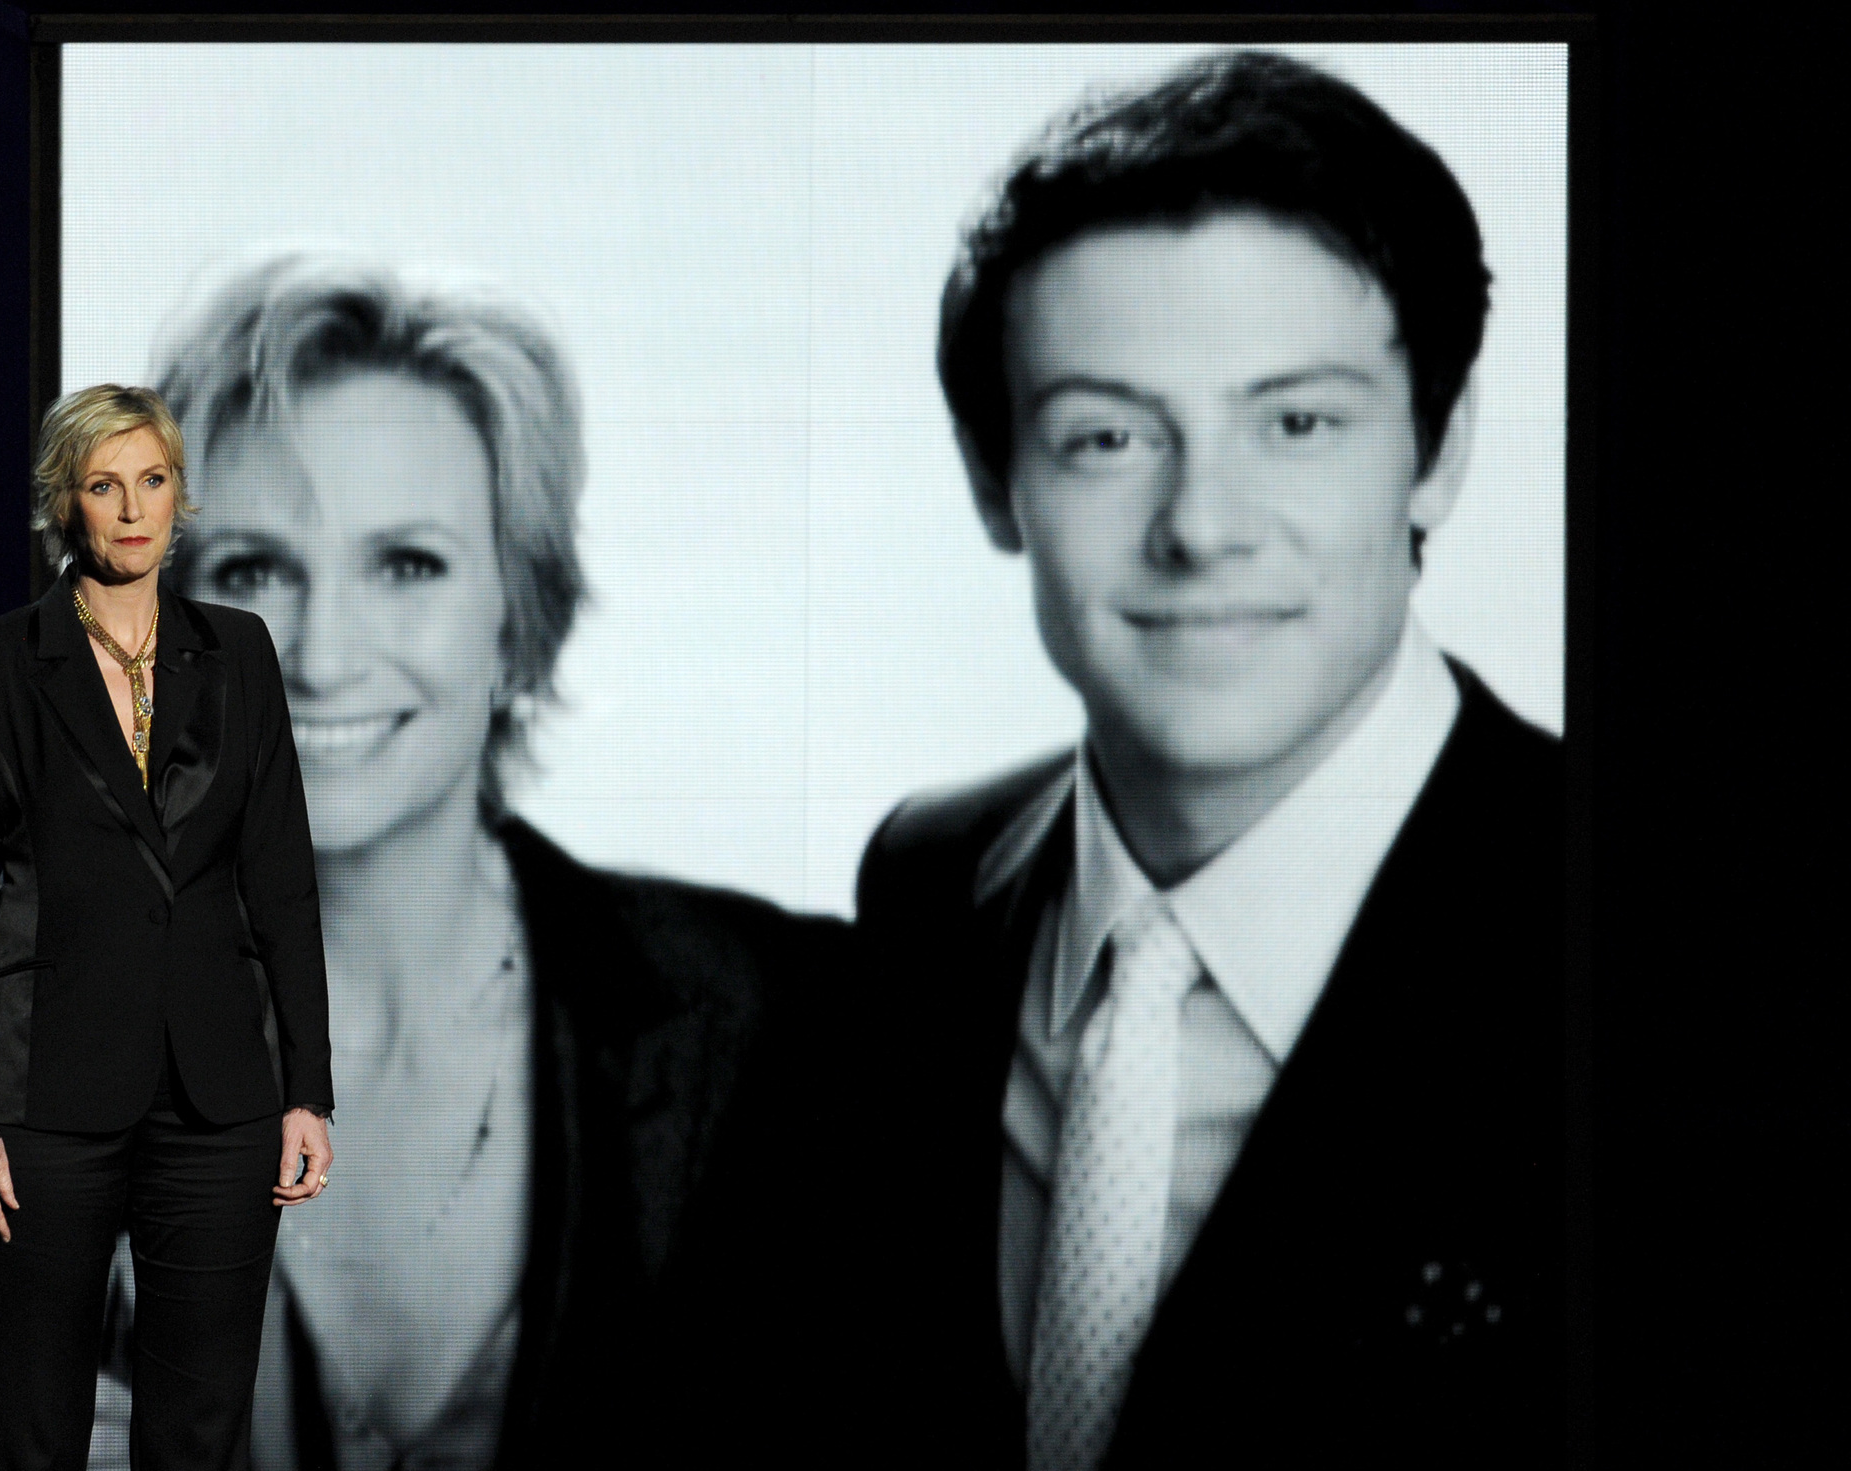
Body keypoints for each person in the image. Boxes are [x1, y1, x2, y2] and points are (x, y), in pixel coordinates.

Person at [850, 51, 1565, 1469]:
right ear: (997, 478)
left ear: (1437, 448)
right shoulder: (925, 885)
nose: (1202, 523)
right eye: (1107, 436)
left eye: (1296, 422)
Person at [87, 249, 850, 1470]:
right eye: (253, 571)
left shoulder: (781, 1020)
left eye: (407, 564)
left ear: (520, 621)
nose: (321, 654)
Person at [0, 383, 337, 1470]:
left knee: (199, 1435)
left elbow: (281, 880)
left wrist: (307, 1088)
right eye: (104, 485)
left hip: (219, 1096)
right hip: (43, 1102)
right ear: (65, 503)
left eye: (152, 480)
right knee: (33, 1431)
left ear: (179, 496)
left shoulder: (239, 653)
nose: (132, 508)